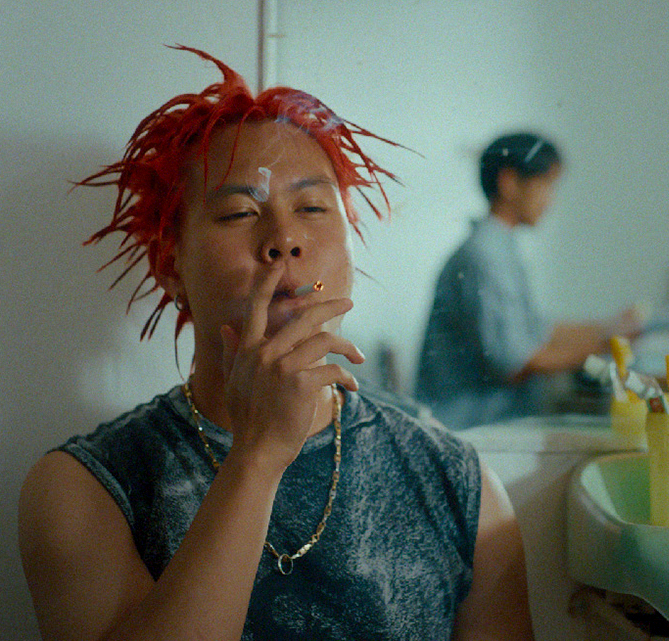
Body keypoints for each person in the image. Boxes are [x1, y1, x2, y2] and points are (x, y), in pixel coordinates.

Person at [18, 47, 536, 641]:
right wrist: (258, 458)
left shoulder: (457, 480)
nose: (285, 239)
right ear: (169, 264)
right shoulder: (83, 490)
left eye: (312, 207)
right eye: (240, 213)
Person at [415, 132, 640, 429]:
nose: (550, 201)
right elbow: (515, 364)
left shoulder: (499, 247)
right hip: (472, 427)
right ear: (509, 182)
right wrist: (606, 345)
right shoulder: (484, 256)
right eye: (546, 184)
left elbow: (536, 329)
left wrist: (609, 328)